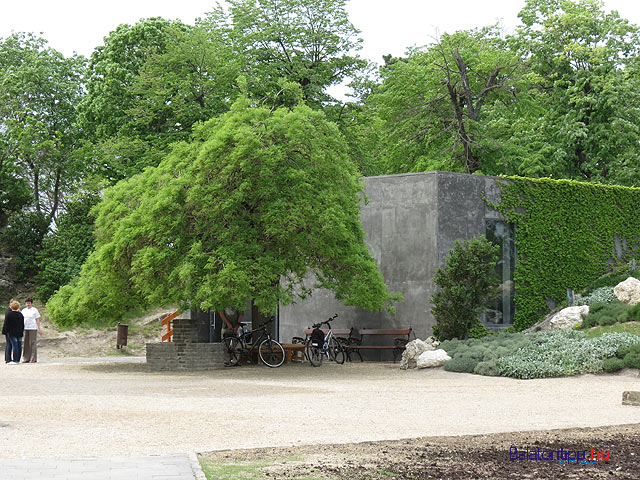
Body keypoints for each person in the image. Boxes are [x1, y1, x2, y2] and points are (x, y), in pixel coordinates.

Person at [2, 300, 24, 364]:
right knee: (19, 346)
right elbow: (22, 324)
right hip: (19, 332)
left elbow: (6, 324)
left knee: (14, 345)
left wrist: (5, 331)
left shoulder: (9, 314)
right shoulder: (20, 314)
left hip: (11, 332)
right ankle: (17, 359)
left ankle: (14, 360)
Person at [21, 297, 41, 363]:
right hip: (25, 328)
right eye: (27, 303)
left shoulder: (35, 310)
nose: (28, 304)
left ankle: (33, 358)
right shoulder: (23, 310)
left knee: (32, 343)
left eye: (29, 303)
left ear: (31, 303)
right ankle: (26, 358)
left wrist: (39, 328)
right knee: (26, 343)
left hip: (32, 328)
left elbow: (37, 319)